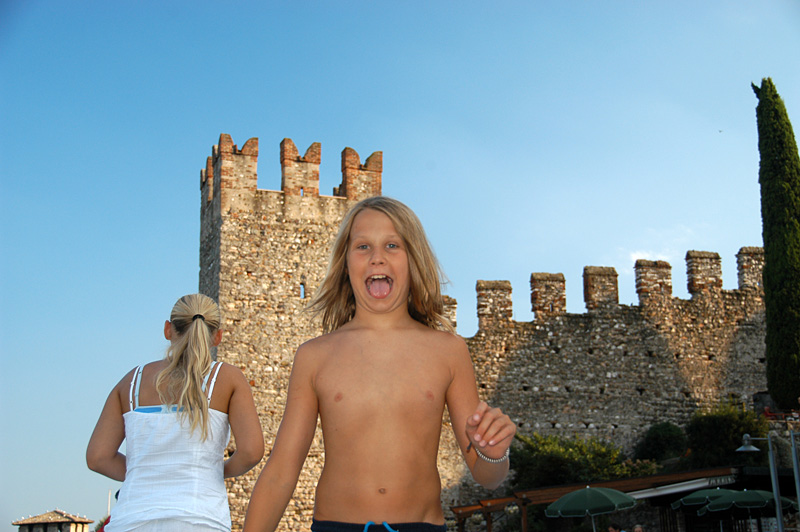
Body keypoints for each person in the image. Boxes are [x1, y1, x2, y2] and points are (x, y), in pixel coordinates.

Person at [243, 196, 517, 532]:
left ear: (413, 260)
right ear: (345, 264)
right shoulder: (315, 356)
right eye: (363, 247)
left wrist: (493, 453)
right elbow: (280, 473)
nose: (377, 257)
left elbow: (487, 476)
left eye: (392, 245)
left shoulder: (448, 351)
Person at [87, 293, 265, 532]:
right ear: (218, 336)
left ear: (168, 330)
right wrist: (213, 470)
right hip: (200, 521)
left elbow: (97, 458)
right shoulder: (226, 378)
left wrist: (148, 471)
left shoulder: (132, 382)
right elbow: (252, 452)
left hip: (129, 522)